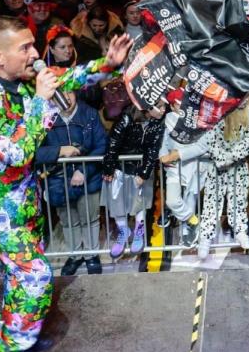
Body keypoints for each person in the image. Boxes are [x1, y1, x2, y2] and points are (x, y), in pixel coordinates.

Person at [0, 16, 130, 352]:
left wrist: (108, 63)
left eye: (33, 44)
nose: (35, 54)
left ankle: (10, 326)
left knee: (18, 273)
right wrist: (40, 100)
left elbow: (69, 76)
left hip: (25, 198)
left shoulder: (23, 78)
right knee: (35, 276)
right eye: (25, 48)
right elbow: (18, 153)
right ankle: (8, 348)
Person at [34, 90, 107, 276]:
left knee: (90, 218)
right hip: (58, 180)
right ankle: (75, 255)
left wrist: (83, 170)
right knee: (68, 221)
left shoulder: (89, 114)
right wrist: (61, 151)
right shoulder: (44, 118)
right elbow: (35, 151)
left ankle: (91, 255)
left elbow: (101, 145)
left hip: (87, 179)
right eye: (59, 94)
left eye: (69, 93)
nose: (65, 98)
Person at [102, 103, 166, 259]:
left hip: (140, 170)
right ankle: (123, 231)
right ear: (148, 107)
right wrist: (109, 168)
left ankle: (139, 230)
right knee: (117, 203)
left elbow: (153, 150)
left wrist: (144, 174)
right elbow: (113, 144)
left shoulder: (158, 123)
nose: (164, 110)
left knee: (140, 203)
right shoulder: (126, 118)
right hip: (120, 169)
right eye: (160, 106)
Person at [158, 90, 215, 251]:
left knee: (190, 200)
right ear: (172, 105)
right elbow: (163, 143)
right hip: (174, 169)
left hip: (194, 168)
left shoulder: (199, 119)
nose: (183, 105)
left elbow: (202, 146)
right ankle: (193, 220)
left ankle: (187, 233)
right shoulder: (167, 121)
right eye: (179, 103)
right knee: (173, 200)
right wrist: (163, 156)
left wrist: (178, 154)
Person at [199, 103, 249, 258]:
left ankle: (240, 231)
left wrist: (232, 157)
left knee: (239, 200)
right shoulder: (217, 111)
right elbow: (209, 137)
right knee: (211, 202)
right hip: (217, 166)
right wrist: (221, 158)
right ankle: (206, 237)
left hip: (238, 166)